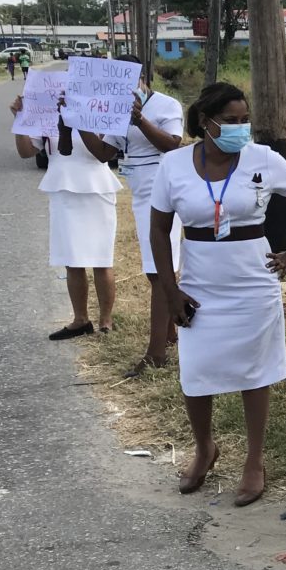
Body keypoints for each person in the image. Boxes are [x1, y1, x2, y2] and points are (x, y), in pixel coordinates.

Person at [150, 82, 286, 508]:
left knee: (254, 372)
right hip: (200, 283)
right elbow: (158, 228)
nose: (240, 129)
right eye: (231, 121)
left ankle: (254, 460)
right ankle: (205, 447)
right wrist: (171, 291)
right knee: (196, 370)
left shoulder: (263, 158)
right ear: (205, 122)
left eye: (245, 120)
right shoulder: (173, 165)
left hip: (252, 282)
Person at [74, 55, 185, 377]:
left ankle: (156, 353)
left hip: (165, 192)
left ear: (142, 78)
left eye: (125, 79)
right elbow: (104, 154)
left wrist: (140, 121)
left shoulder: (165, 105)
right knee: (155, 271)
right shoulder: (112, 108)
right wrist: (80, 120)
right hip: (140, 194)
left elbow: (173, 145)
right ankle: (170, 333)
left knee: (160, 271)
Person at [11, 92, 119, 339]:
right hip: (62, 187)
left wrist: (76, 115)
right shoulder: (46, 115)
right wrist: (20, 119)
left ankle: (106, 319)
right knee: (72, 258)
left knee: (102, 258)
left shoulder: (98, 110)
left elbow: (104, 151)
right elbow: (26, 152)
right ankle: (80, 319)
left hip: (97, 187)